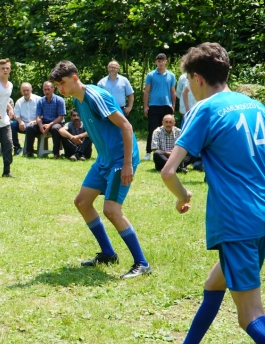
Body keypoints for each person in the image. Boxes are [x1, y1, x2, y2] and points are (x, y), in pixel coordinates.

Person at [161, 42, 265, 343]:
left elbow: (168, 172)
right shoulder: (256, 106)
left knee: (251, 316)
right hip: (260, 217)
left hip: (238, 222)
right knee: (214, 283)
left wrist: (183, 196)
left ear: (197, 79)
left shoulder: (203, 109)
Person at [50, 60, 151, 279]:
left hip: (120, 159)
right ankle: (108, 253)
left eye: (63, 83)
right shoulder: (78, 101)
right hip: (104, 160)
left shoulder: (96, 96)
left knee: (112, 210)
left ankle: (142, 263)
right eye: (57, 85)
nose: (60, 89)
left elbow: (126, 126)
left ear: (75, 78)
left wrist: (126, 164)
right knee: (82, 202)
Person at [143, 53, 176, 161]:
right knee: (153, 129)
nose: (160, 63)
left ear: (166, 62)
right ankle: (148, 152)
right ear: (155, 62)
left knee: (168, 129)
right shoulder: (151, 75)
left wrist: (173, 105)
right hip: (154, 105)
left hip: (167, 105)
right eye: (158, 61)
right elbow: (146, 91)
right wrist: (145, 106)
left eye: (162, 61)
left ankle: (169, 151)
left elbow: (172, 91)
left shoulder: (171, 75)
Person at [24, 81, 66, 158]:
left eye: (48, 89)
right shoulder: (41, 101)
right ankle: (29, 151)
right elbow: (38, 116)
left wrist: (50, 125)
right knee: (30, 128)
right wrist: (40, 126)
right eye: (45, 89)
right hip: (44, 122)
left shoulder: (59, 100)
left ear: (53, 89)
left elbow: (61, 117)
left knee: (55, 128)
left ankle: (56, 153)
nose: (46, 91)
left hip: (56, 122)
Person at [11, 82, 41, 155]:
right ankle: (17, 147)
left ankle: (29, 150)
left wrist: (35, 121)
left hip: (35, 125)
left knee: (30, 127)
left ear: (31, 90)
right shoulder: (19, 102)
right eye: (24, 91)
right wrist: (20, 122)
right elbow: (16, 115)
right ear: (21, 91)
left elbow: (42, 115)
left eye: (27, 90)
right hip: (23, 125)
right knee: (11, 124)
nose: (26, 92)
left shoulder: (39, 100)